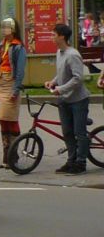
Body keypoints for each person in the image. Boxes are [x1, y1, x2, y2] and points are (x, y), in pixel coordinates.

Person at [47, 23, 90, 174]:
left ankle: (81, 162)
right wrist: (53, 82)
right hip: (64, 100)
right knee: (67, 132)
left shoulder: (73, 54)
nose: (52, 37)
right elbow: (62, 72)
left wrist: (60, 89)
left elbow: (78, 78)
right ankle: (71, 161)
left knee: (79, 133)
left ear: (62, 36)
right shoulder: (59, 52)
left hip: (78, 100)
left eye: (54, 34)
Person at [0, 17, 27, 169]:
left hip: (10, 83)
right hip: (1, 83)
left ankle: (12, 156)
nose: (4, 30)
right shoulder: (2, 45)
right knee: (2, 118)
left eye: (7, 27)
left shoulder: (18, 47)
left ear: (14, 29)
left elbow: (21, 71)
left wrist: (16, 89)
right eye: (2, 27)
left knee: (11, 119)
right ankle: (6, 155)